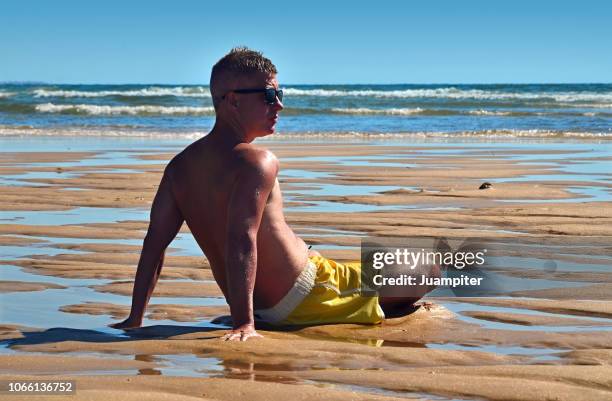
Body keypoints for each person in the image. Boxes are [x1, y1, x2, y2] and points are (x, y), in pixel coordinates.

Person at [110, 47, 434, 341]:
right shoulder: (258, 161)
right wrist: (244, 325)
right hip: (312, 291)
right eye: (268, 94)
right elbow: (241, 238)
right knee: (430, 266)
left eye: (280, 92)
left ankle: (376, 301)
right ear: (233, 100)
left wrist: (135, 318)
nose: (279, 104)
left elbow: (153, 246)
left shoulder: (179, 168)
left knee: (388, 265)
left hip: (266, 301)